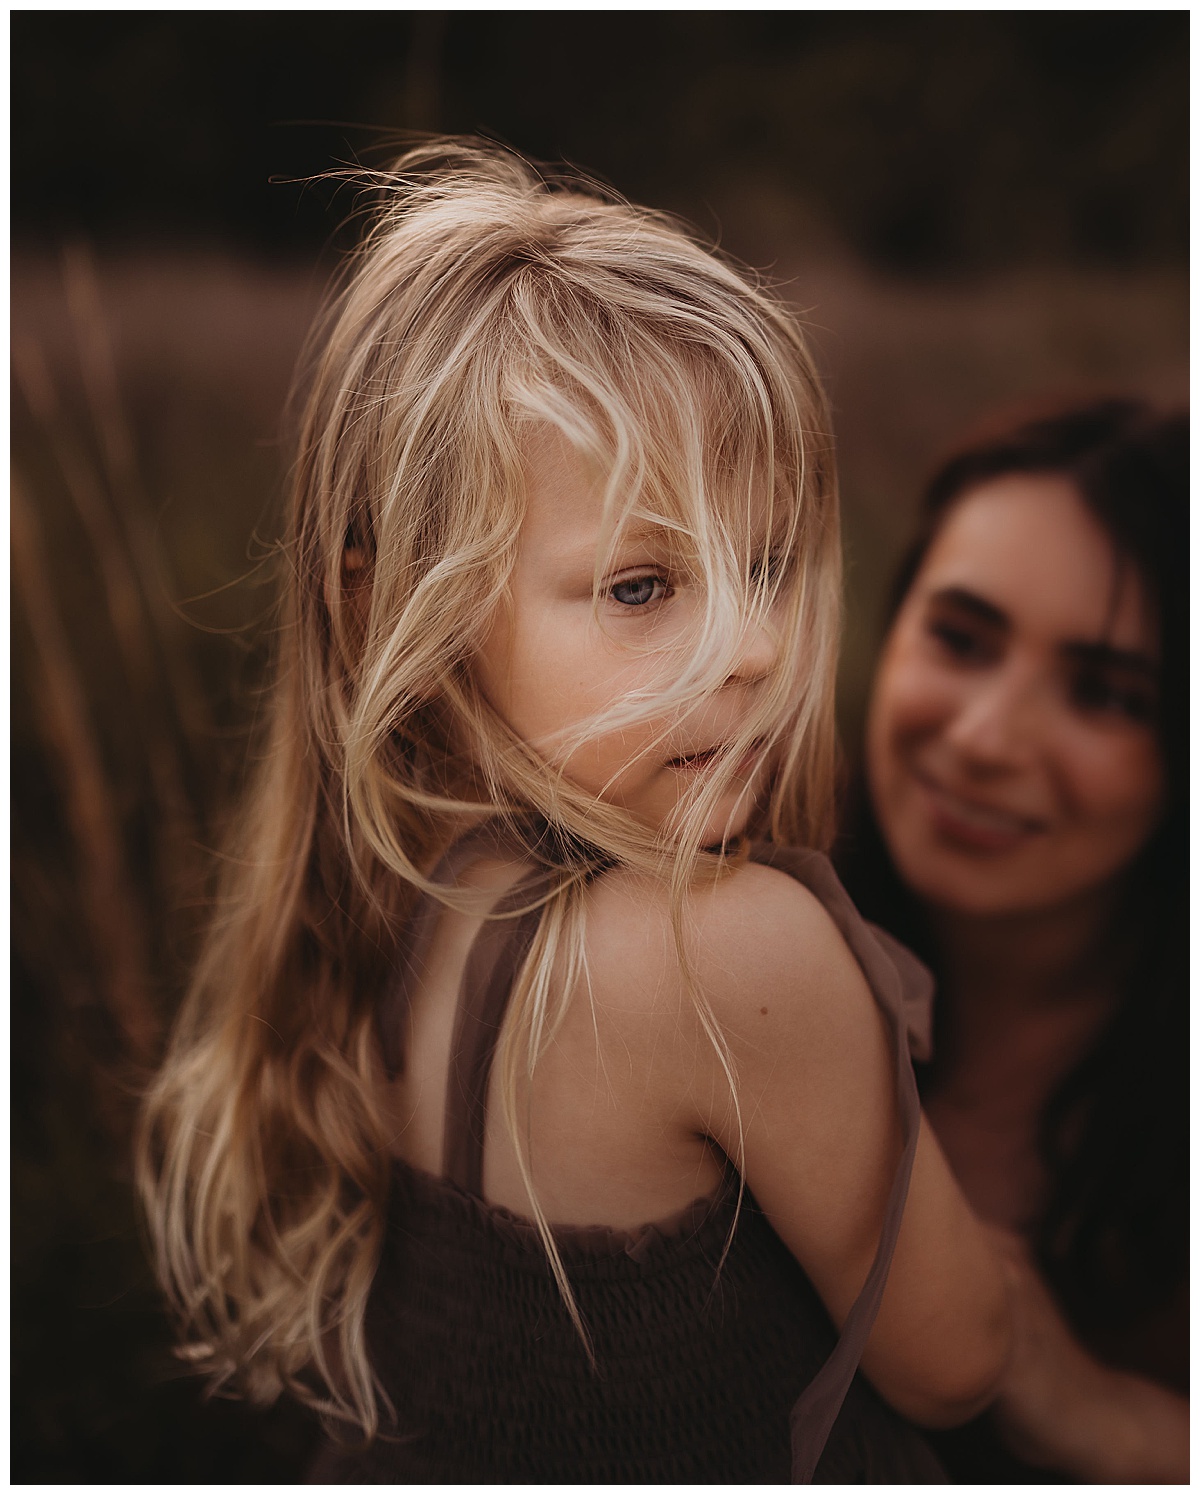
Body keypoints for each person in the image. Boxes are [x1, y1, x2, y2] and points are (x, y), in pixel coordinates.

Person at [136, 139, 1020, 1482]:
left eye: (768, 560)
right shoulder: (721, 949)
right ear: (391, 611)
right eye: (640, 585)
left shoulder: (395, 884)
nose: (755, 648)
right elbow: (957, 1362)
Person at [839, 399, 1188, 1481]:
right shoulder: (732, 932)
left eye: (1104, 693)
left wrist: (1100, 1413)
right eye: (959, 636)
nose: (985, 739)